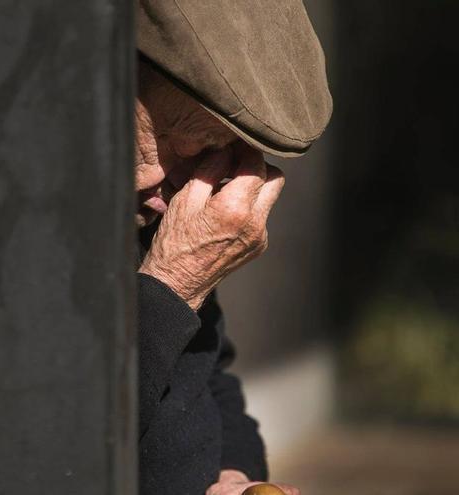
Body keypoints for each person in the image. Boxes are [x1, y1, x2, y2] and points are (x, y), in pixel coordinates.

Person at [134, 1, 332, 494]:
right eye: (176, 142)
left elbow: (205, 372)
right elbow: (59, 437)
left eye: (212, 155)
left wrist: (235, 474)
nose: (176, 192)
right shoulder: (36, 233)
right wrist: (172, 284)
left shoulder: (145, 213)